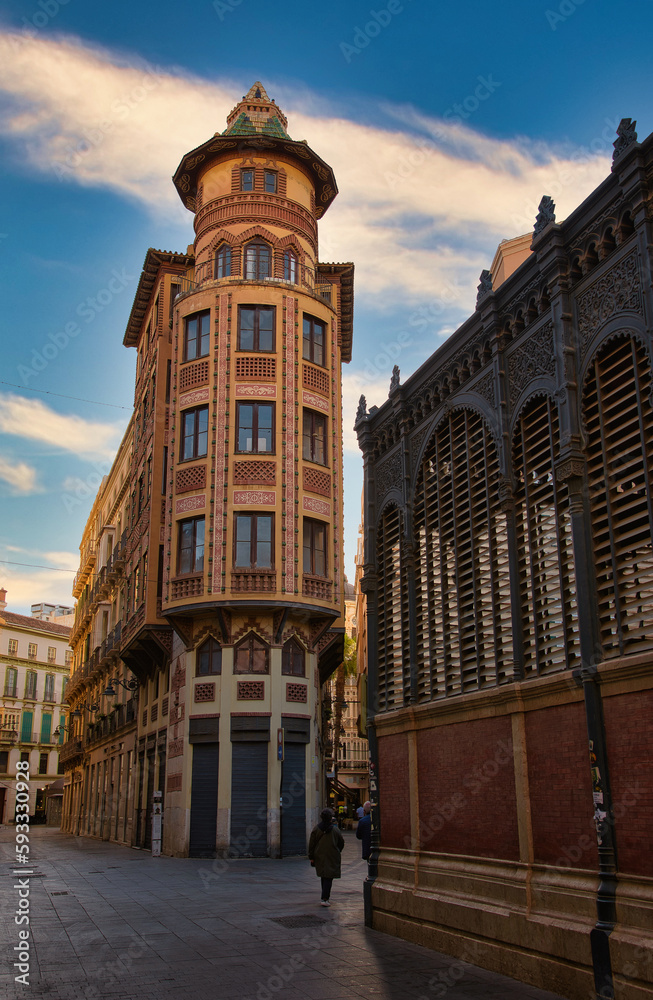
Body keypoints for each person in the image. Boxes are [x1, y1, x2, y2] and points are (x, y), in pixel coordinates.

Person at [308, 807, 344, 906]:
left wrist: (311, 856)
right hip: (332, 856)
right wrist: (337, 851)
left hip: (319, 855)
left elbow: (312, 844)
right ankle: (325, 898)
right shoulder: (335, 830)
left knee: (324, 876)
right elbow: (341, 843)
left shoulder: (316, 829)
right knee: (328, 877)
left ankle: (324, 896)